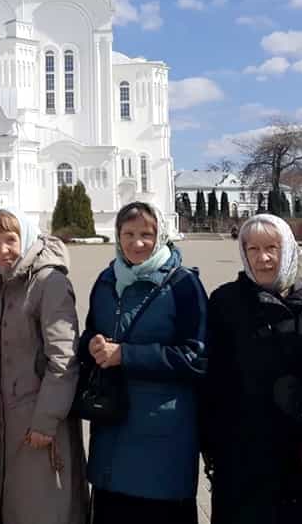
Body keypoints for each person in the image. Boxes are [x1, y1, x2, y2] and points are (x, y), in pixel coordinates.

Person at [202, 214, 302, 524]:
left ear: (288, 249)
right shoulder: (225, 302)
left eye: (272, 248)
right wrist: (212, 443)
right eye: (253, 249)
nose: (263, 258)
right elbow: (212, 381)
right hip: (243, 456)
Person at [80, 201, 207, 524]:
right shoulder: (108, 280)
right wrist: (92, 344)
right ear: (118, 236)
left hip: (163, 430)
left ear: (160, 235)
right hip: (112, 424)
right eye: (129, 233)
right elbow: (92, 330)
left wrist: (126, 355)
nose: (137, 243)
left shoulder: (182, 285)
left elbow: (197, 356)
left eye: (147, 234)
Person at [0, 208, 88, 524]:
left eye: (11, 239)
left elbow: (64, 357)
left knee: (43, 508)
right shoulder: (4, 281)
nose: (2, 249)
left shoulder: (47, 282)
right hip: (11, 418)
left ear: (26, 239)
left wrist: (45, 421)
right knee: (15, 504)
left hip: (38, 422)